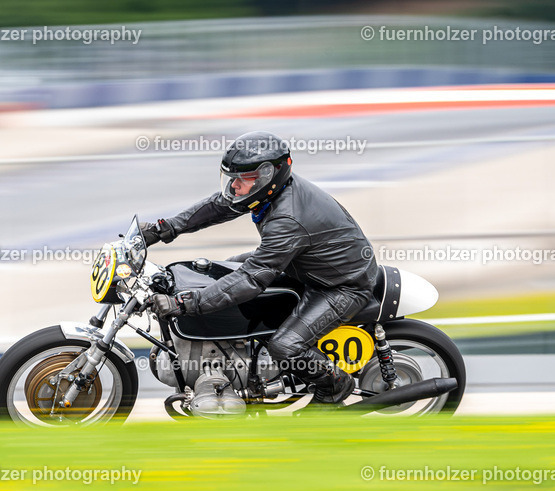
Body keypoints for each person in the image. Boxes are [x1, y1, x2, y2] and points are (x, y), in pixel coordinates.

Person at [143, 131, 378, 403]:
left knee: (285, 346)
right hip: (304, 265)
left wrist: (185, 303)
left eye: (242, 180)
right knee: (221, 270)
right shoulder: (269, 192)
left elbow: (252, 279)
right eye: (231, 179)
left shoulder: (287, 218)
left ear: (269, 175)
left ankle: (334, 385)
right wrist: (165, 229)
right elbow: (219, 206)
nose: (234, 187)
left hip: (341, 285)